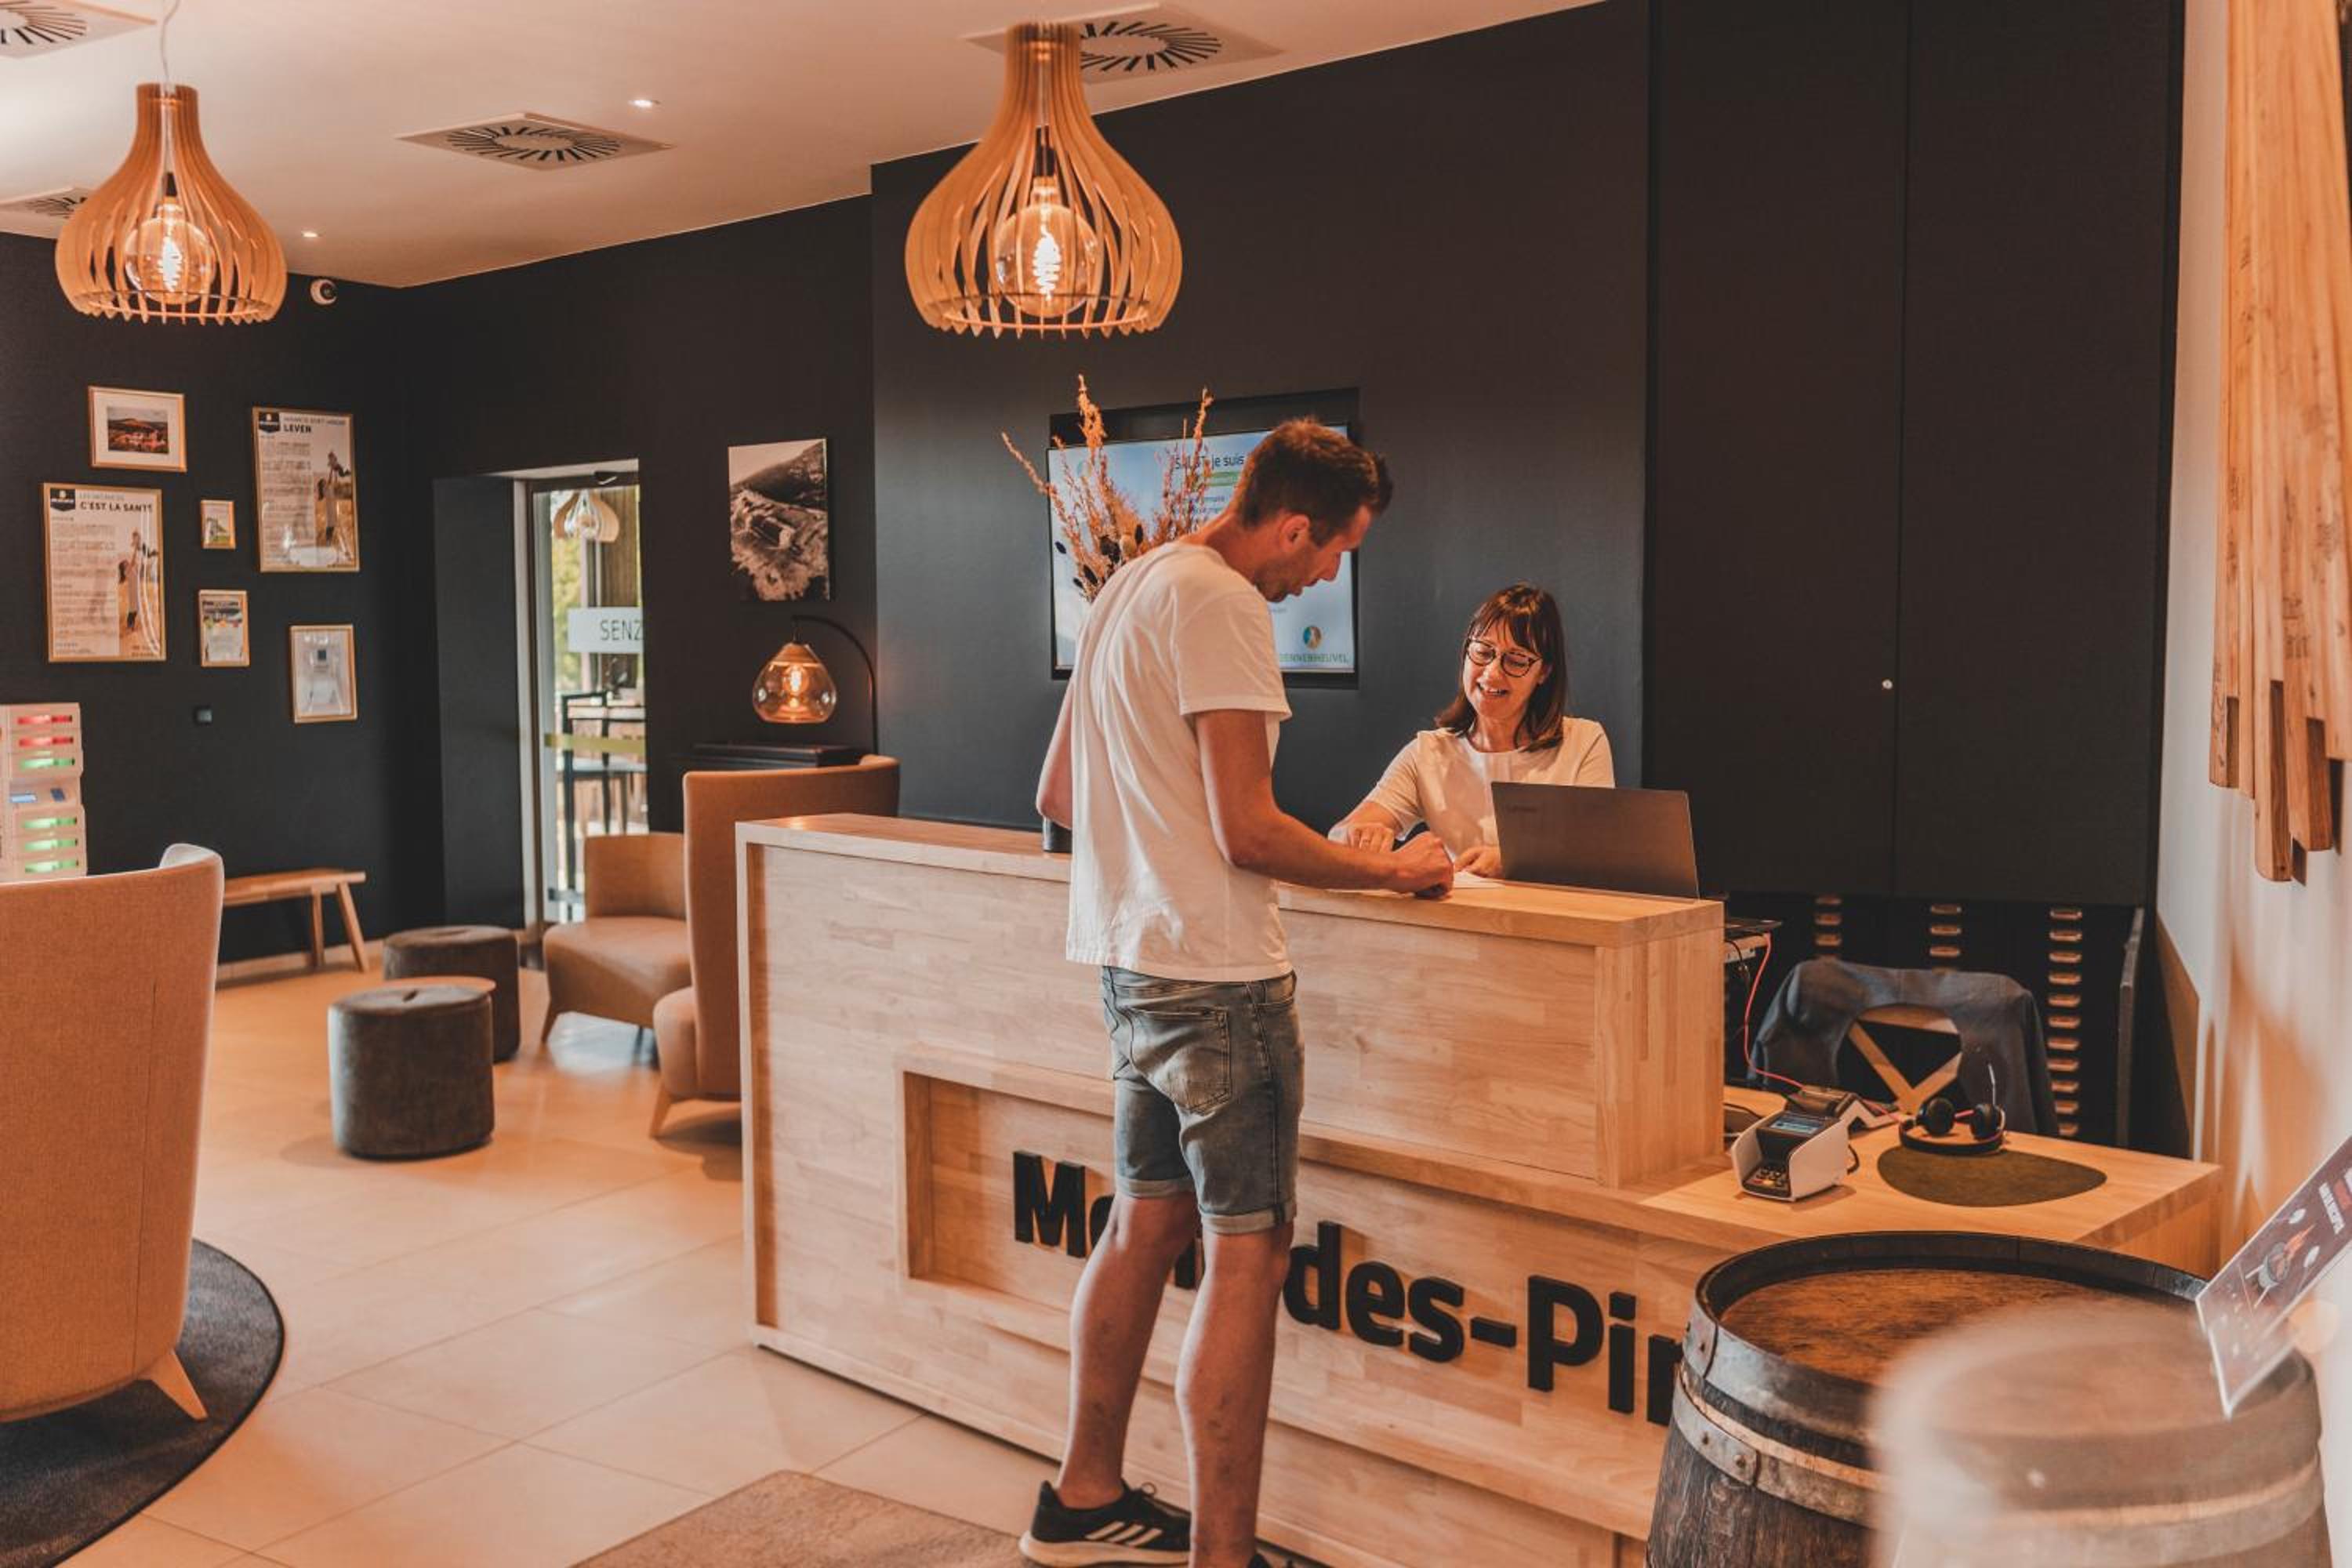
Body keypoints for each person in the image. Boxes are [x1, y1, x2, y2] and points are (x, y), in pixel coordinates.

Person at [1026, 421, 1452, 1568]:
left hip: (1130, 968)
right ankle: (1224, 1555)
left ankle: (1081, 1496)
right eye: (1337, 552)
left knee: (1142, 1224)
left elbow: (1058, 791)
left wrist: (1150, 842)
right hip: (1219, 983)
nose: (1328, 575)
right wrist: (1394, 869)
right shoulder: (1222, 604)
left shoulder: (1128, 586)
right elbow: (1249, 830)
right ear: (1296, 525)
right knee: (1247, 1258)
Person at [1330, 583, 1612, 876]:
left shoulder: (1583, 742)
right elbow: (1341, 834)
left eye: (1516, 661)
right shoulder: (1428, 753)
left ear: (1544, 672)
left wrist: (1510, 860)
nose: (1492, 673)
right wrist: (1360, 836)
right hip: (1458, 905)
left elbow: (1599, 851)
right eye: (1483, 652)